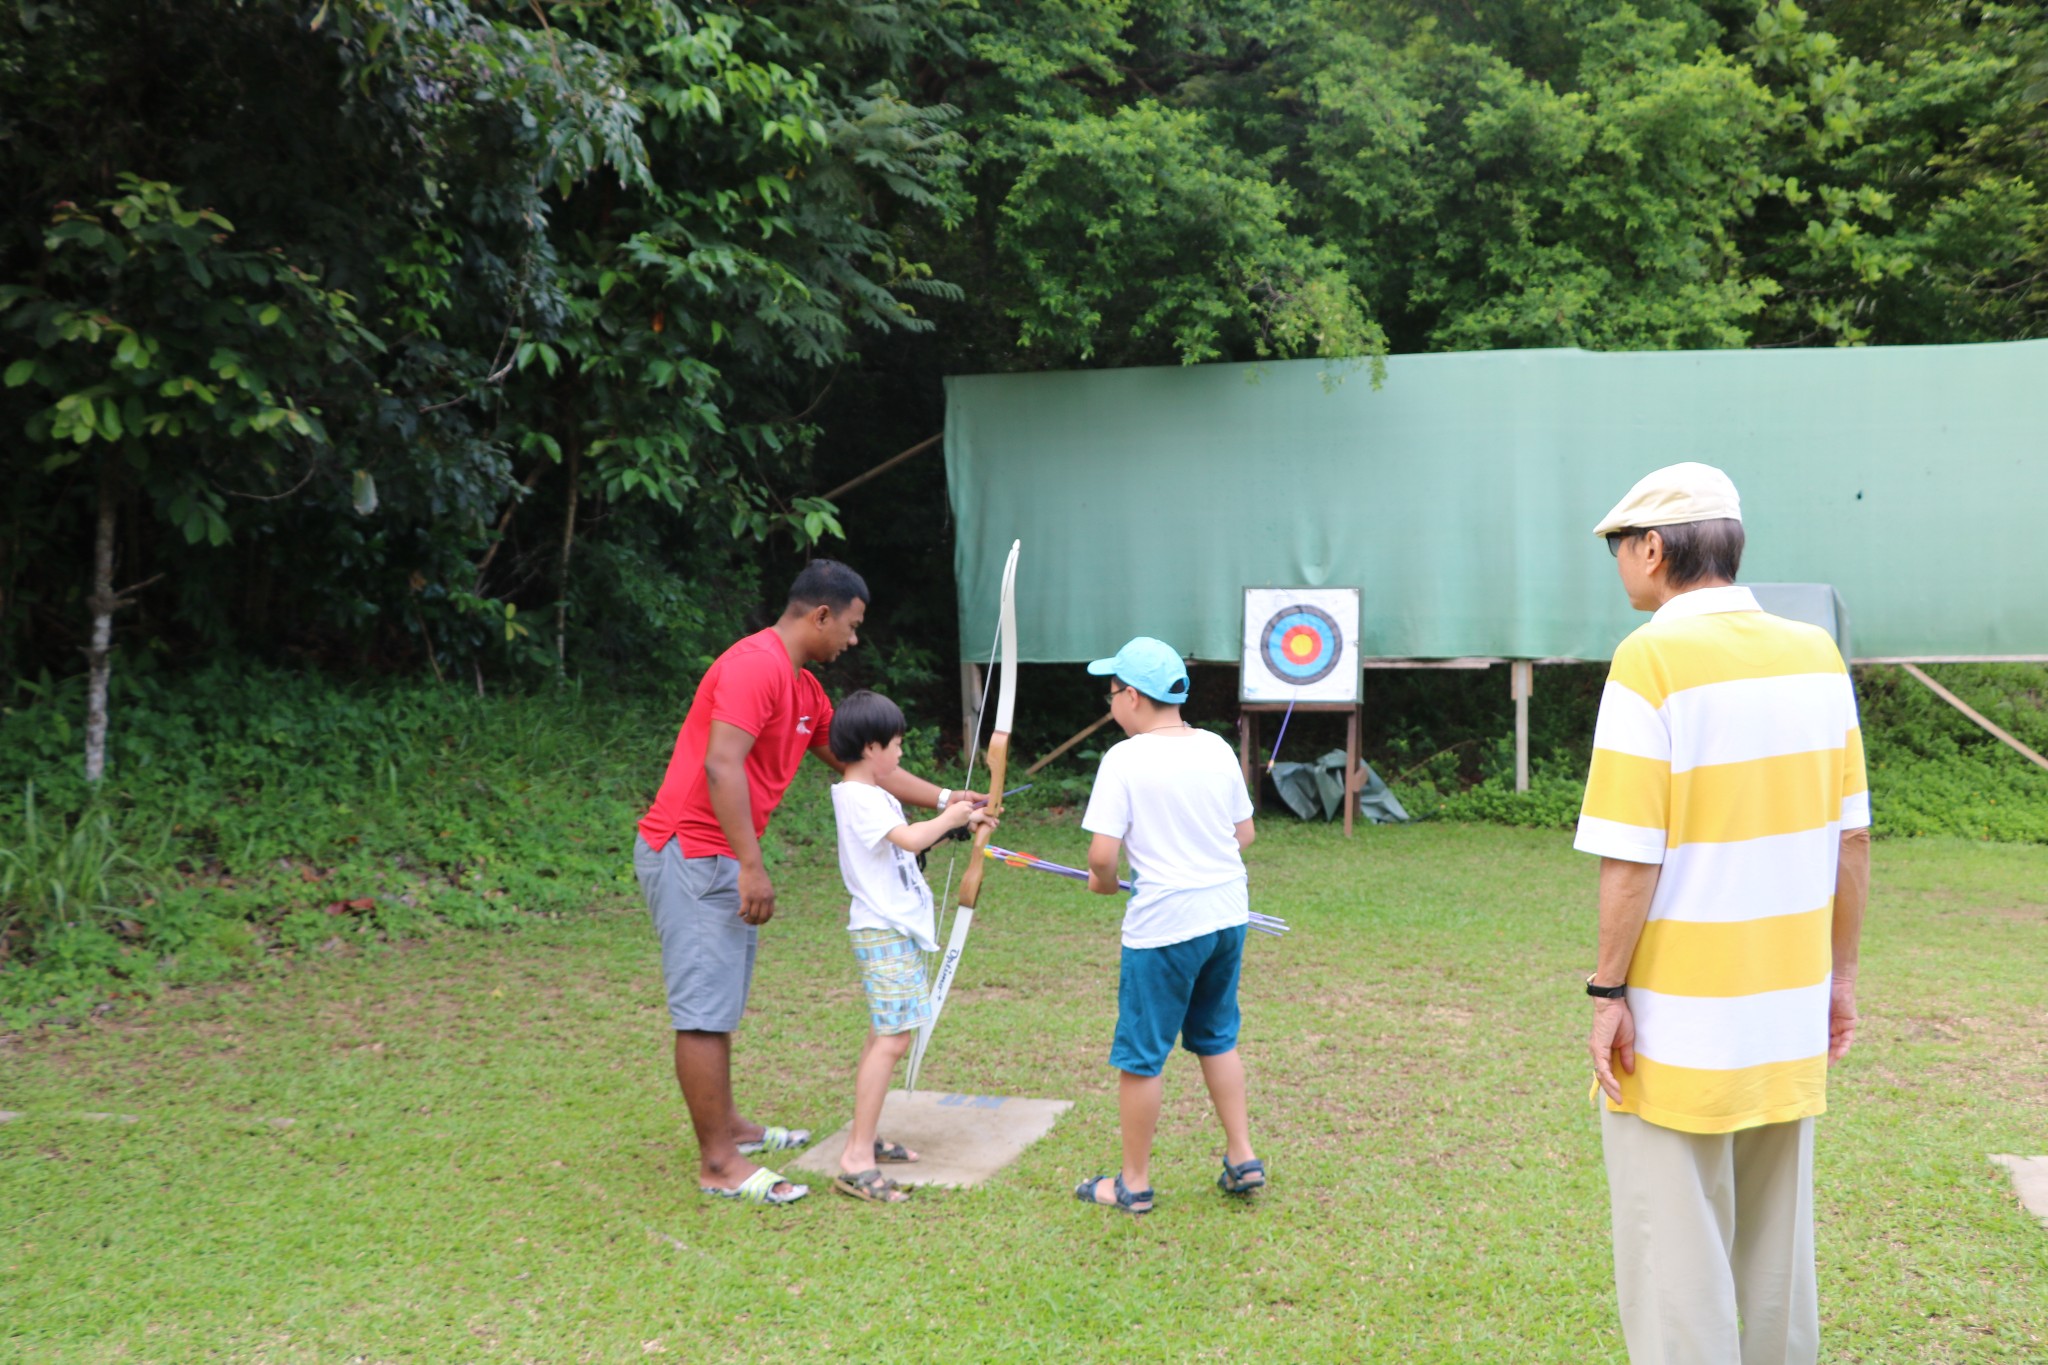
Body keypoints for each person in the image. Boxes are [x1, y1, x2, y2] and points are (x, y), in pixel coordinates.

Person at [1574, 463, 1872, 1363]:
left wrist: (1606, 989)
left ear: (1654, 549)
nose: (1619, 562)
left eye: (1619, 546)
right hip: (1787, 998)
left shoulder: (1650, 658)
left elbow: (1633, 855)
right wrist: (1840, 977)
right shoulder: (1816, 652)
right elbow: (1850, 842)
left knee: (1675, 1255)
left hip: (1679, 1019)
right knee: (1781, 1248)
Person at [633, 561, 975, 1205]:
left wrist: (950, 798)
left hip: (721, 857)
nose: (852, 639)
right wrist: (751, 862)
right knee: (703, 1013)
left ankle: (730, 1127)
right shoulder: (753, 666)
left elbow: (864, 766)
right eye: (850, 626)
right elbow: (721, 763)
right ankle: (719, 1164)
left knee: (720, 1001)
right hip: (692, 851)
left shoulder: (805, 690)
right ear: (821, 614)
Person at [1076, 636, 1263, 1215]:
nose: (1110, 704)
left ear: (1131, 697)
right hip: (1227, 915)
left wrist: (1104, 885)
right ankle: (1242, 1157)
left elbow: (1102, 858)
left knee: (1141, 1055)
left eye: (1111, 693)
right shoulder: (1215, 747)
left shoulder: (1124, 759)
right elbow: (1244, 835)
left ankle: (1132, 1183)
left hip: (1165, 928)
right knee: (1217, 1037)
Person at [825, 689, 996, 1204]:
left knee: (886, 1033)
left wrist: (958, 823)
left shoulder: (872, 795)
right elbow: (908, 840)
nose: (900, 754)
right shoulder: (858, 795)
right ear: (872, 747)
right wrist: (951, 816)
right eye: (896, 744)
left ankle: (865, 1135)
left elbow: (903, 844)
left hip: (891, 927)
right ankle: (856, 1158)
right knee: (894, 1039)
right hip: (883, 929)